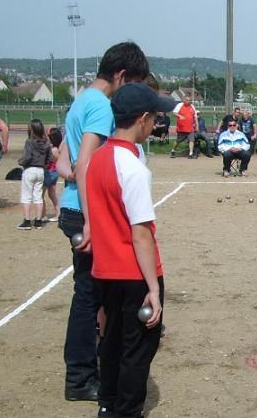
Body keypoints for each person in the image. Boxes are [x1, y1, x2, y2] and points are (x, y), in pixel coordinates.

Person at [59, 41, 150, 403]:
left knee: (91, 295)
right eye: (134, 84)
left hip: (74, 209)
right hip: (85, 212)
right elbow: (84, 164)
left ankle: (90, 369)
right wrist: (94, 220)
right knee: (89, 296)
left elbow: (65, 163)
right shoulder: (99, 105)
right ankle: (81, 377)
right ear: (121, 75)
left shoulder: (80, 100)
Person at [87, 82, 164, 418]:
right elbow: (141, 234)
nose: (156, 125)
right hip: (133, 273)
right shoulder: (132, 167)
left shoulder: (98, 158)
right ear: (143, 119)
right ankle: (127, 410)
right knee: (137, 349)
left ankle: (108, 402)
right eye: (155, 118)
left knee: (112, 342)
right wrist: (153, 288)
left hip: (104, 271)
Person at [17, 119, 52, 230]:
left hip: (29, 170)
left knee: (26, 196)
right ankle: (38, 221)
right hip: (40, 171)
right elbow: (50, 158)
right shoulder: (46, 143)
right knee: (38, 196)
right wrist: (44, 164)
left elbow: (27, 157)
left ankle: (27, 221)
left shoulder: (29, 142)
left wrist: (21, 162)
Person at [44, 128, 62, 222]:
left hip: (50, 172)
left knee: (41, 194)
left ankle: (42, 215)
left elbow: (57, 160)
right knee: (51, 194)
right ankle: (58, 213)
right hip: (53, 172)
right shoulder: (57, 148)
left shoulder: (54, 149)